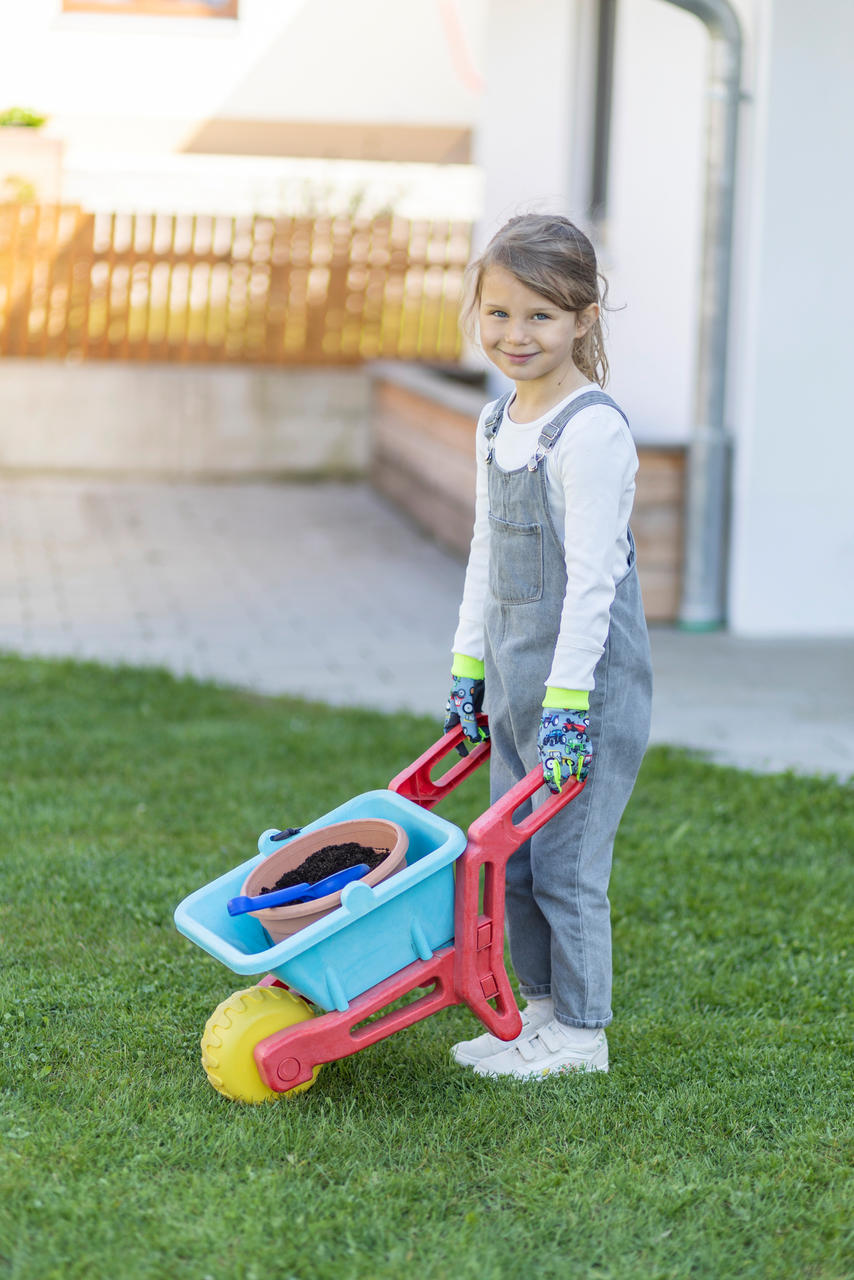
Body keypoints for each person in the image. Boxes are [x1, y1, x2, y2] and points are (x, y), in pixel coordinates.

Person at [443, 213, 653, 1080]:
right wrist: (466, 671)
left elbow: (595, 582)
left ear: (584, 319)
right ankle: (539, 1018)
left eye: (540, 316)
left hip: (584, 693)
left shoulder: (592, 431)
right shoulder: (496, 424)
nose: (516, 335)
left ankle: (582, 1035)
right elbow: (485, 556)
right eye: (498, 314)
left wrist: (569, 704)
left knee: (566, 867)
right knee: (513, 862)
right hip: (518, 684)